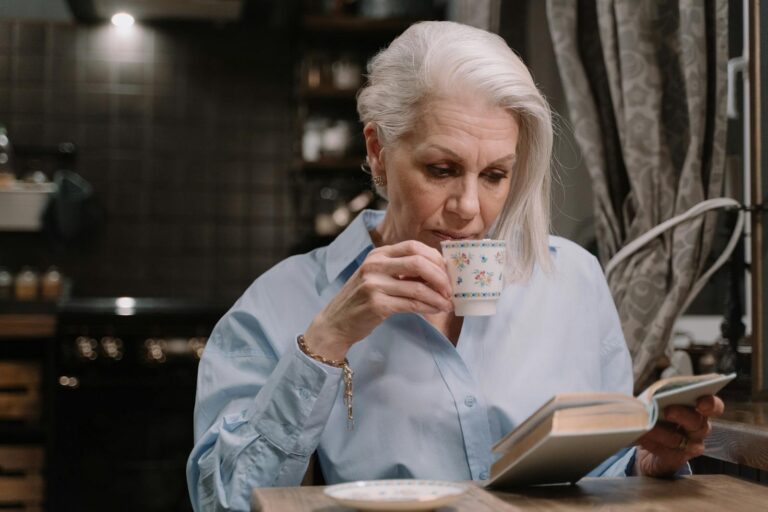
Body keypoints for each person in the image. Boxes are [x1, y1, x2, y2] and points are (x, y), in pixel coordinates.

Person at [186, 21, 724, 511]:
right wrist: (326, 343)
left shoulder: (574, 281)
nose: (469, 207)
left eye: (494, 175)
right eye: (442, 169)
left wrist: (645, 465)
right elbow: (221, 501)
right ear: (377, 150)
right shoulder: (280, 303)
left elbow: (601, 473)